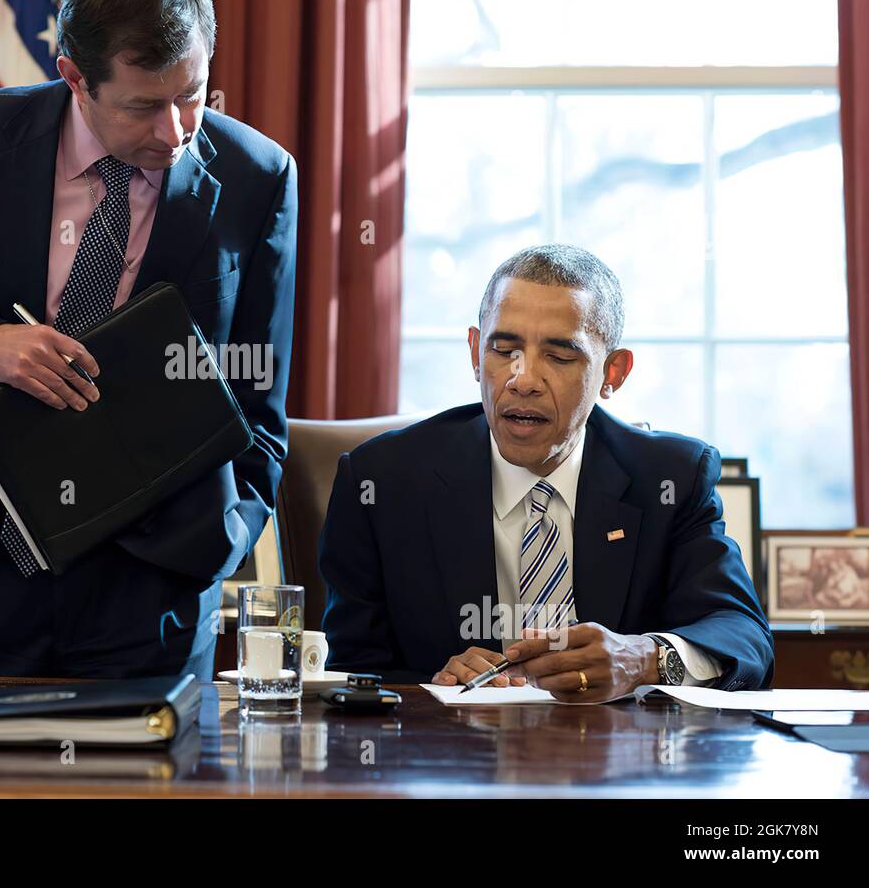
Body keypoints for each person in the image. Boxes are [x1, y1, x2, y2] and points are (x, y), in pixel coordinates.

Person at [0, 0, 297, 681]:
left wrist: (221, 535)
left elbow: (259, 402)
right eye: (143, 105)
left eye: (190, 93)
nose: (175, 132)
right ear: (74, 77)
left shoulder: (260, 178)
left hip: (150, 585)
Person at [320, 245, 773, 700]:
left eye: (559, 357)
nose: (523, 379)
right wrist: (429, 686)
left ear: (612, 372)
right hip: (454, 761)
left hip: (622, 759)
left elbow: (744, 641)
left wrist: (643, 659)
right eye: (504, 349)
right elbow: (351, 671)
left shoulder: (670, 479)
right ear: (477, 353)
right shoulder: (383, 481)